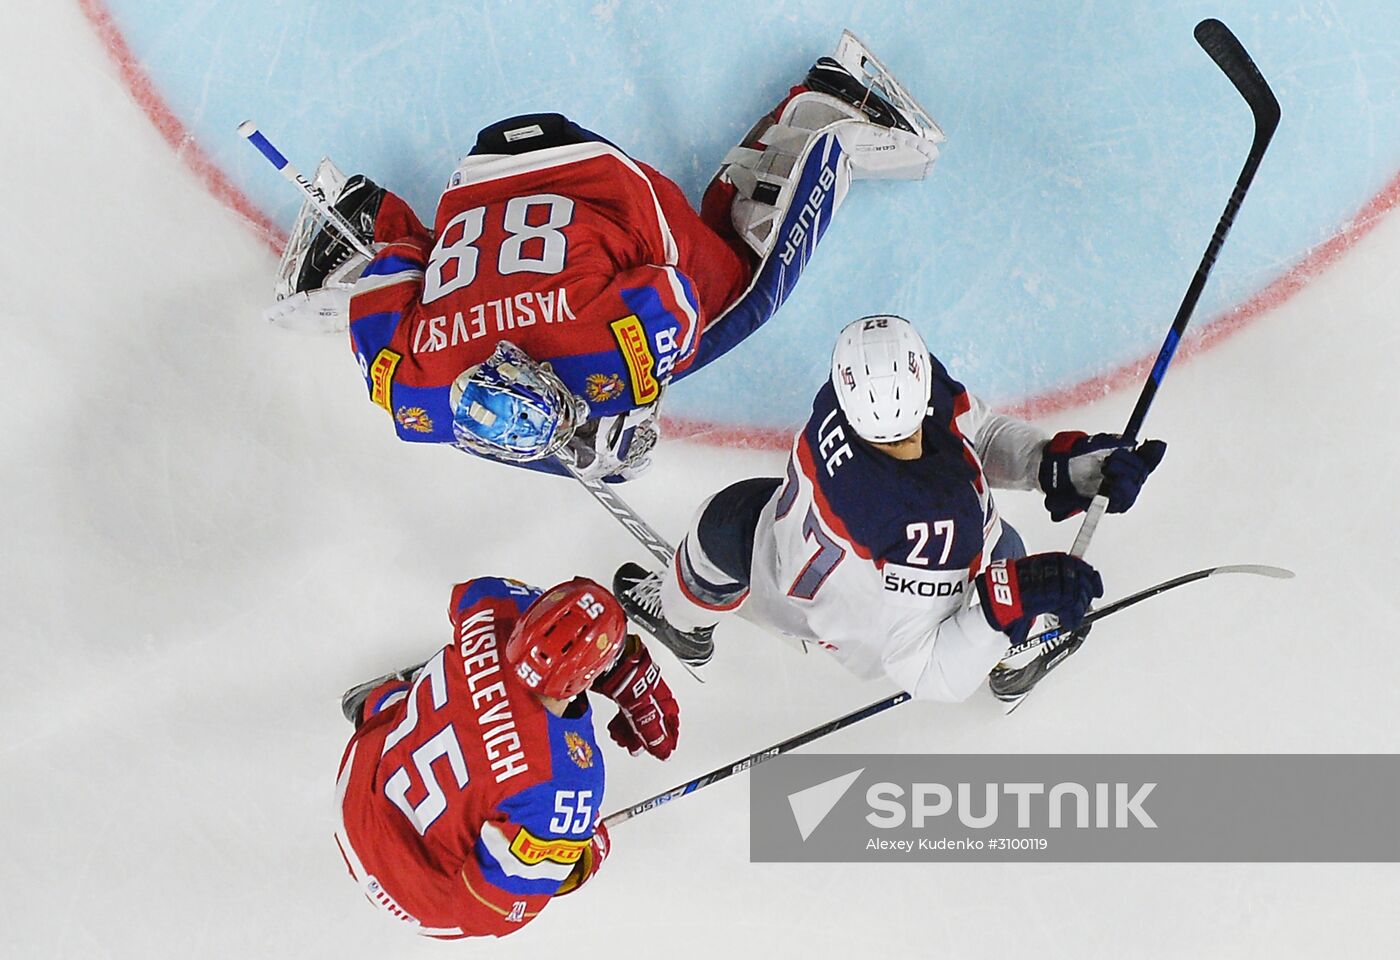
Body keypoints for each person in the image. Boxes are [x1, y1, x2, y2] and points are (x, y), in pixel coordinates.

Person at [268, 32, 944, 481]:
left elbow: (670, 292)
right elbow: (389, 281)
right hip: (479, 178)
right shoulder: (412, 391)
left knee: (736, 298)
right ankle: (350, 224)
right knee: (422, 270)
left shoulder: (603, 348)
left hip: (595, 177)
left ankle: (829, 113)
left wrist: (636, 394)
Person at [614, 315, 1166, 702]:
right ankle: (1016, 643)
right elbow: (927, 671)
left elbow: (972, 430)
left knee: (722, 524)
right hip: (869, 624)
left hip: (792, 569)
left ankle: (681, 617)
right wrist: (1007, 605)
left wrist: (1056, 465)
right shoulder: (938, 519)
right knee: (1008, 562)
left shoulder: (845, 393)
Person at [334, 576, 678, 938]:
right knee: (524, 823)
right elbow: (491, 911)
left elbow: (478, 596)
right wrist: (577, 857)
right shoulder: (564, 783)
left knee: (439, 698)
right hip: (410, 896)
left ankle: (385, 702)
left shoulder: (487, 606)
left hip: (357, 794)